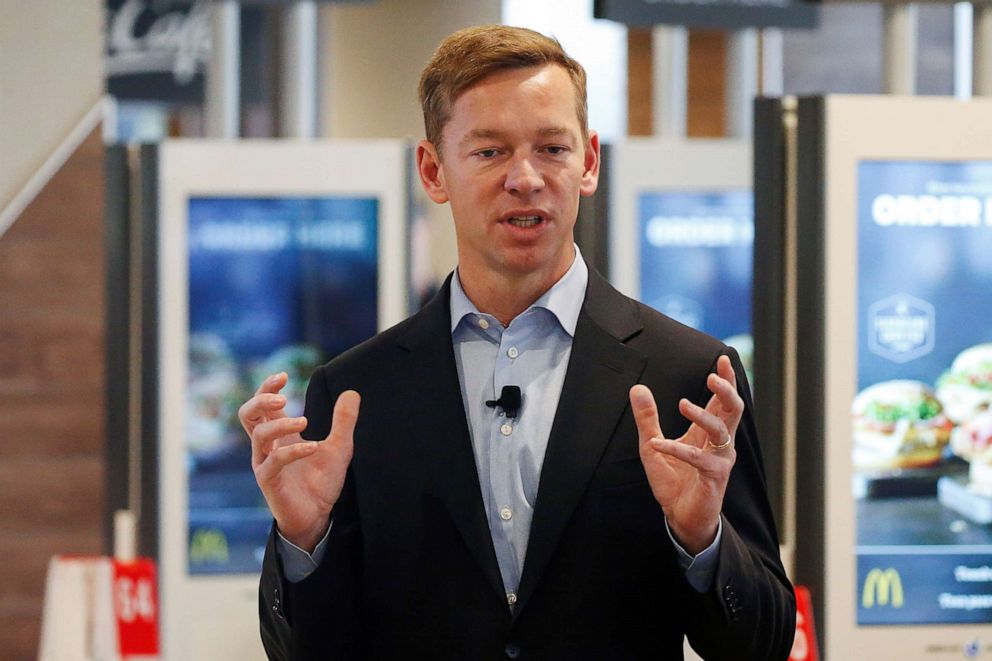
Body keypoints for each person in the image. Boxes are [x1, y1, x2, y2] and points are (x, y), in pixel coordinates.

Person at [240, 25, 795, 660]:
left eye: (552, 148)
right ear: (433, 169)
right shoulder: (356, 393)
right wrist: (305, 540)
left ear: (587, 162)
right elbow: (303, 651)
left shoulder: (688, 375)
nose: (525, 178)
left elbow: (765, 643)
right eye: (489, 152)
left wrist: (701, 541)